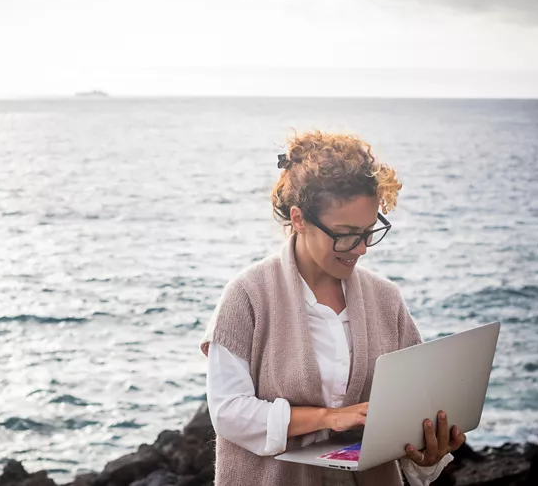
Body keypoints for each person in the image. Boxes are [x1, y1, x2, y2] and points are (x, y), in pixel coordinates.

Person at [200, 131, 467, 486]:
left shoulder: (386, 300)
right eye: (345, 233)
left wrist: (426, 455)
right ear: (299, 219)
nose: (361, 248)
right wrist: (327, 417)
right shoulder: (247, 295)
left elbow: (410, 412)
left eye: (369, 231)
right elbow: (228, 413)